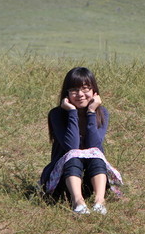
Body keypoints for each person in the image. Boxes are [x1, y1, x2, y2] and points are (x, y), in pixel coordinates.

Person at [40, 67, 110, 215]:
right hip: (63, 179)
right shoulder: (57, 114)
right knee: (74, 157)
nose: (80, 95)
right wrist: (72, 112)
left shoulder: (101, 113)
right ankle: (78, 202)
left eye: (85, 89)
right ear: (67, 94)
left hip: (91, 179)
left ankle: (99, 201)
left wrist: (91, 112)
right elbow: (71, 146)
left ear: (94, 91)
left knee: (96, 156)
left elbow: (94, 146)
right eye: (74, 90)